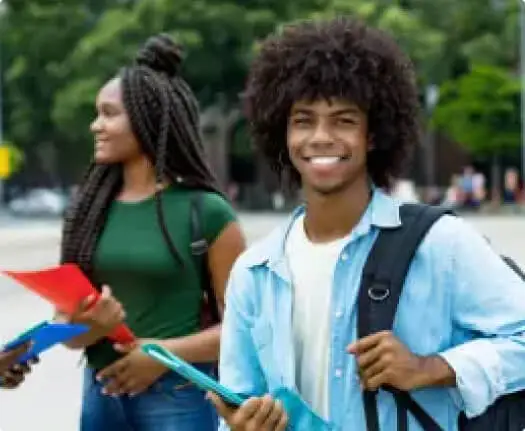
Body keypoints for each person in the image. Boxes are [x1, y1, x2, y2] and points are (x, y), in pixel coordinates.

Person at [209, 17, 525, 431]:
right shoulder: (255, 272)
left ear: (373, 135)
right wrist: (243, 423)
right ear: (282, 133)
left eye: (343, 120)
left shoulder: (440, 244)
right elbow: (241, 398)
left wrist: (430, 367)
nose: (321, 137)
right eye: (304, 120)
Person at [57, 34, 245, 431]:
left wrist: (160, 354)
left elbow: (244, 329)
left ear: (148, 120)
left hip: (177, 399)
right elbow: (66, 331)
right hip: (101, 396)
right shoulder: (88, 214)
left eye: (109, 114)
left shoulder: (206, 212)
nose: (96, 125)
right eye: (97, 114)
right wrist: (94, 327)